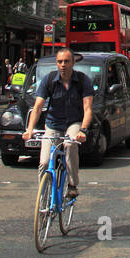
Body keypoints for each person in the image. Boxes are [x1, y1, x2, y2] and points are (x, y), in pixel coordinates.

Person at [23, 48, 93, 199]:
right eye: (60, 62)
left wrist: (83, 130)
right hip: (53, 124)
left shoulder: (82, 80)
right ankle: (43, 196)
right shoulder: (49, 80)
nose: (63, 65)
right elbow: (37, 107)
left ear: (73, 63)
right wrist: (29, 130)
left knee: (70, 144)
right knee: (45, 161)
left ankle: (72, 185)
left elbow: (87, 109)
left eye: (66, 61)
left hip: (73, 122)